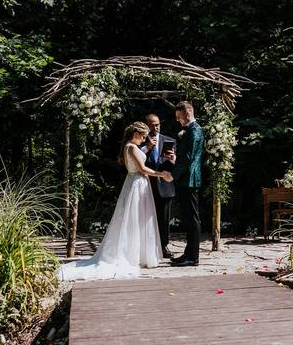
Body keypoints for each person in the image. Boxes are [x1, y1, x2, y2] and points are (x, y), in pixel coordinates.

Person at [58, 122, 173, 281]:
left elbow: (141, 154)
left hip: (137, 183)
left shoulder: (131, 146)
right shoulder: (132, 147)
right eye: (143, 136)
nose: (145, 139)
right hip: (137, 183)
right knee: (134, 219)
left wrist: (148, 148)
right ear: (136, 134)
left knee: (138, 218)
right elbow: (142, 169)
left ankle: (139, 253)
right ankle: (131, 255)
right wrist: (163, 175)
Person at [170, 101, 204, 266]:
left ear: (186, 114)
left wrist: (172, 175)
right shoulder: (192, 130)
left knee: (192, 219)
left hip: (189, 180)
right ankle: (188, 254)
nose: (177, 120)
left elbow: (189, 159)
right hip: (187, 179)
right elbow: (186, 158)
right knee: (189, 219)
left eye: (178, 116)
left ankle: (193, 257)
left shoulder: (193, 131)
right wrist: (175, 159)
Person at [140, 113, 176, 258]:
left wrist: (172, 159)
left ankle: (163, 246)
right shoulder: (140, 142)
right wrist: (148, 146)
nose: (155, 128)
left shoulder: (170, 140)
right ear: (146, 126)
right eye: (152, 125)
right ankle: (145, 247)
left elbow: (176, 164)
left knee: (164, 218)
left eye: (157, 124)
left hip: (165, 184)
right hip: (146, 184)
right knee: (144, 217)